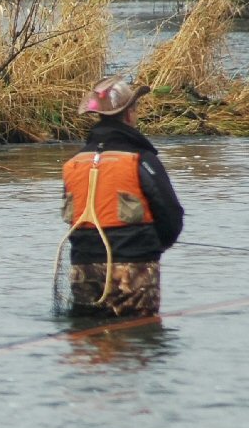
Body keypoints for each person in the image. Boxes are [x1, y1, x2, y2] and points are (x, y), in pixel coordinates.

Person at [61, 75, 184, 318]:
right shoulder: (141, 160)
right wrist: (150, 248)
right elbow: (171, 216)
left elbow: (70, 218)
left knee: (89, 346)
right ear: (129, 115)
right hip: (134, 269)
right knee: (136, 344)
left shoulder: (73, 164)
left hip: (83, 269)